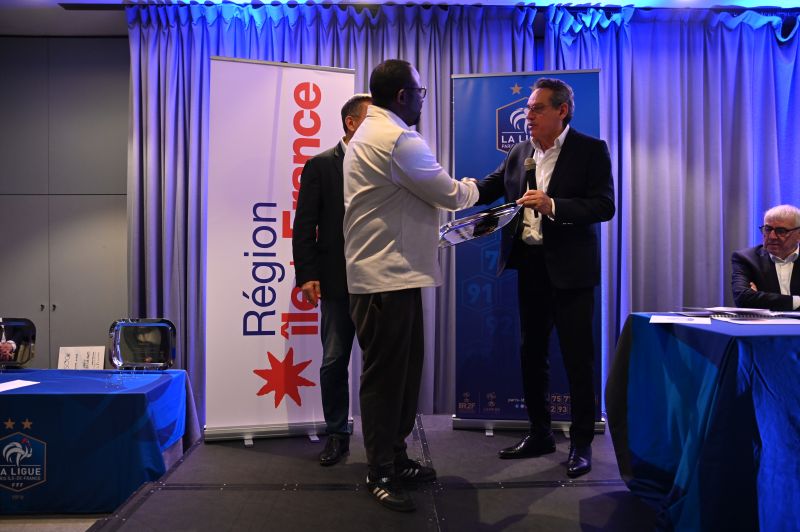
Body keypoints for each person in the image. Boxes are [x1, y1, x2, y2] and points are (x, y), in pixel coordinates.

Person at [343, 59, 479, 512]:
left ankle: (395, 457)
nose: (423, 100)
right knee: (386, 380)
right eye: (420, 93)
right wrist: (483, 186)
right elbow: (448, 193)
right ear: (403, 96)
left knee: (400, 376)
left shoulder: (371, 131)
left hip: (388, 277)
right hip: (387, 279)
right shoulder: (398, 138)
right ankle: (381, 469)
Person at [467, 78, 615, 478]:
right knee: (531, 354)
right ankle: (540, 433)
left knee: (577, 358)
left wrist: (554, 205)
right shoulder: (520, 152)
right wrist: (444, 190)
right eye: (528, 108)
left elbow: (604, 205)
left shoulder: (590, 150)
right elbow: (486, 189)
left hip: (571, 272)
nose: (527, 115)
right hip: (531, 267)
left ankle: (581, 442)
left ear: (562, 111)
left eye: (536, 108)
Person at [292, 93, 372, 466]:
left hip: (377, 281)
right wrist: (307, 275)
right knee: (334, 361)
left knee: (379, 366)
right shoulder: (321, 165)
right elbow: (305, 225)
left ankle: (383, 440)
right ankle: (337, 434)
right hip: (337, 282)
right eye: (372, 117)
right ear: (351, 122)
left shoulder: (384, 163)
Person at [731, 204, 800, 310]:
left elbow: (752, 300)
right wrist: (796, 301)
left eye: (781, 231)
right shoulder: (746, 259)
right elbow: (743, 298)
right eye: (767, 229)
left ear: (798, 234)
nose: (772, 237)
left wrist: (759, 297)